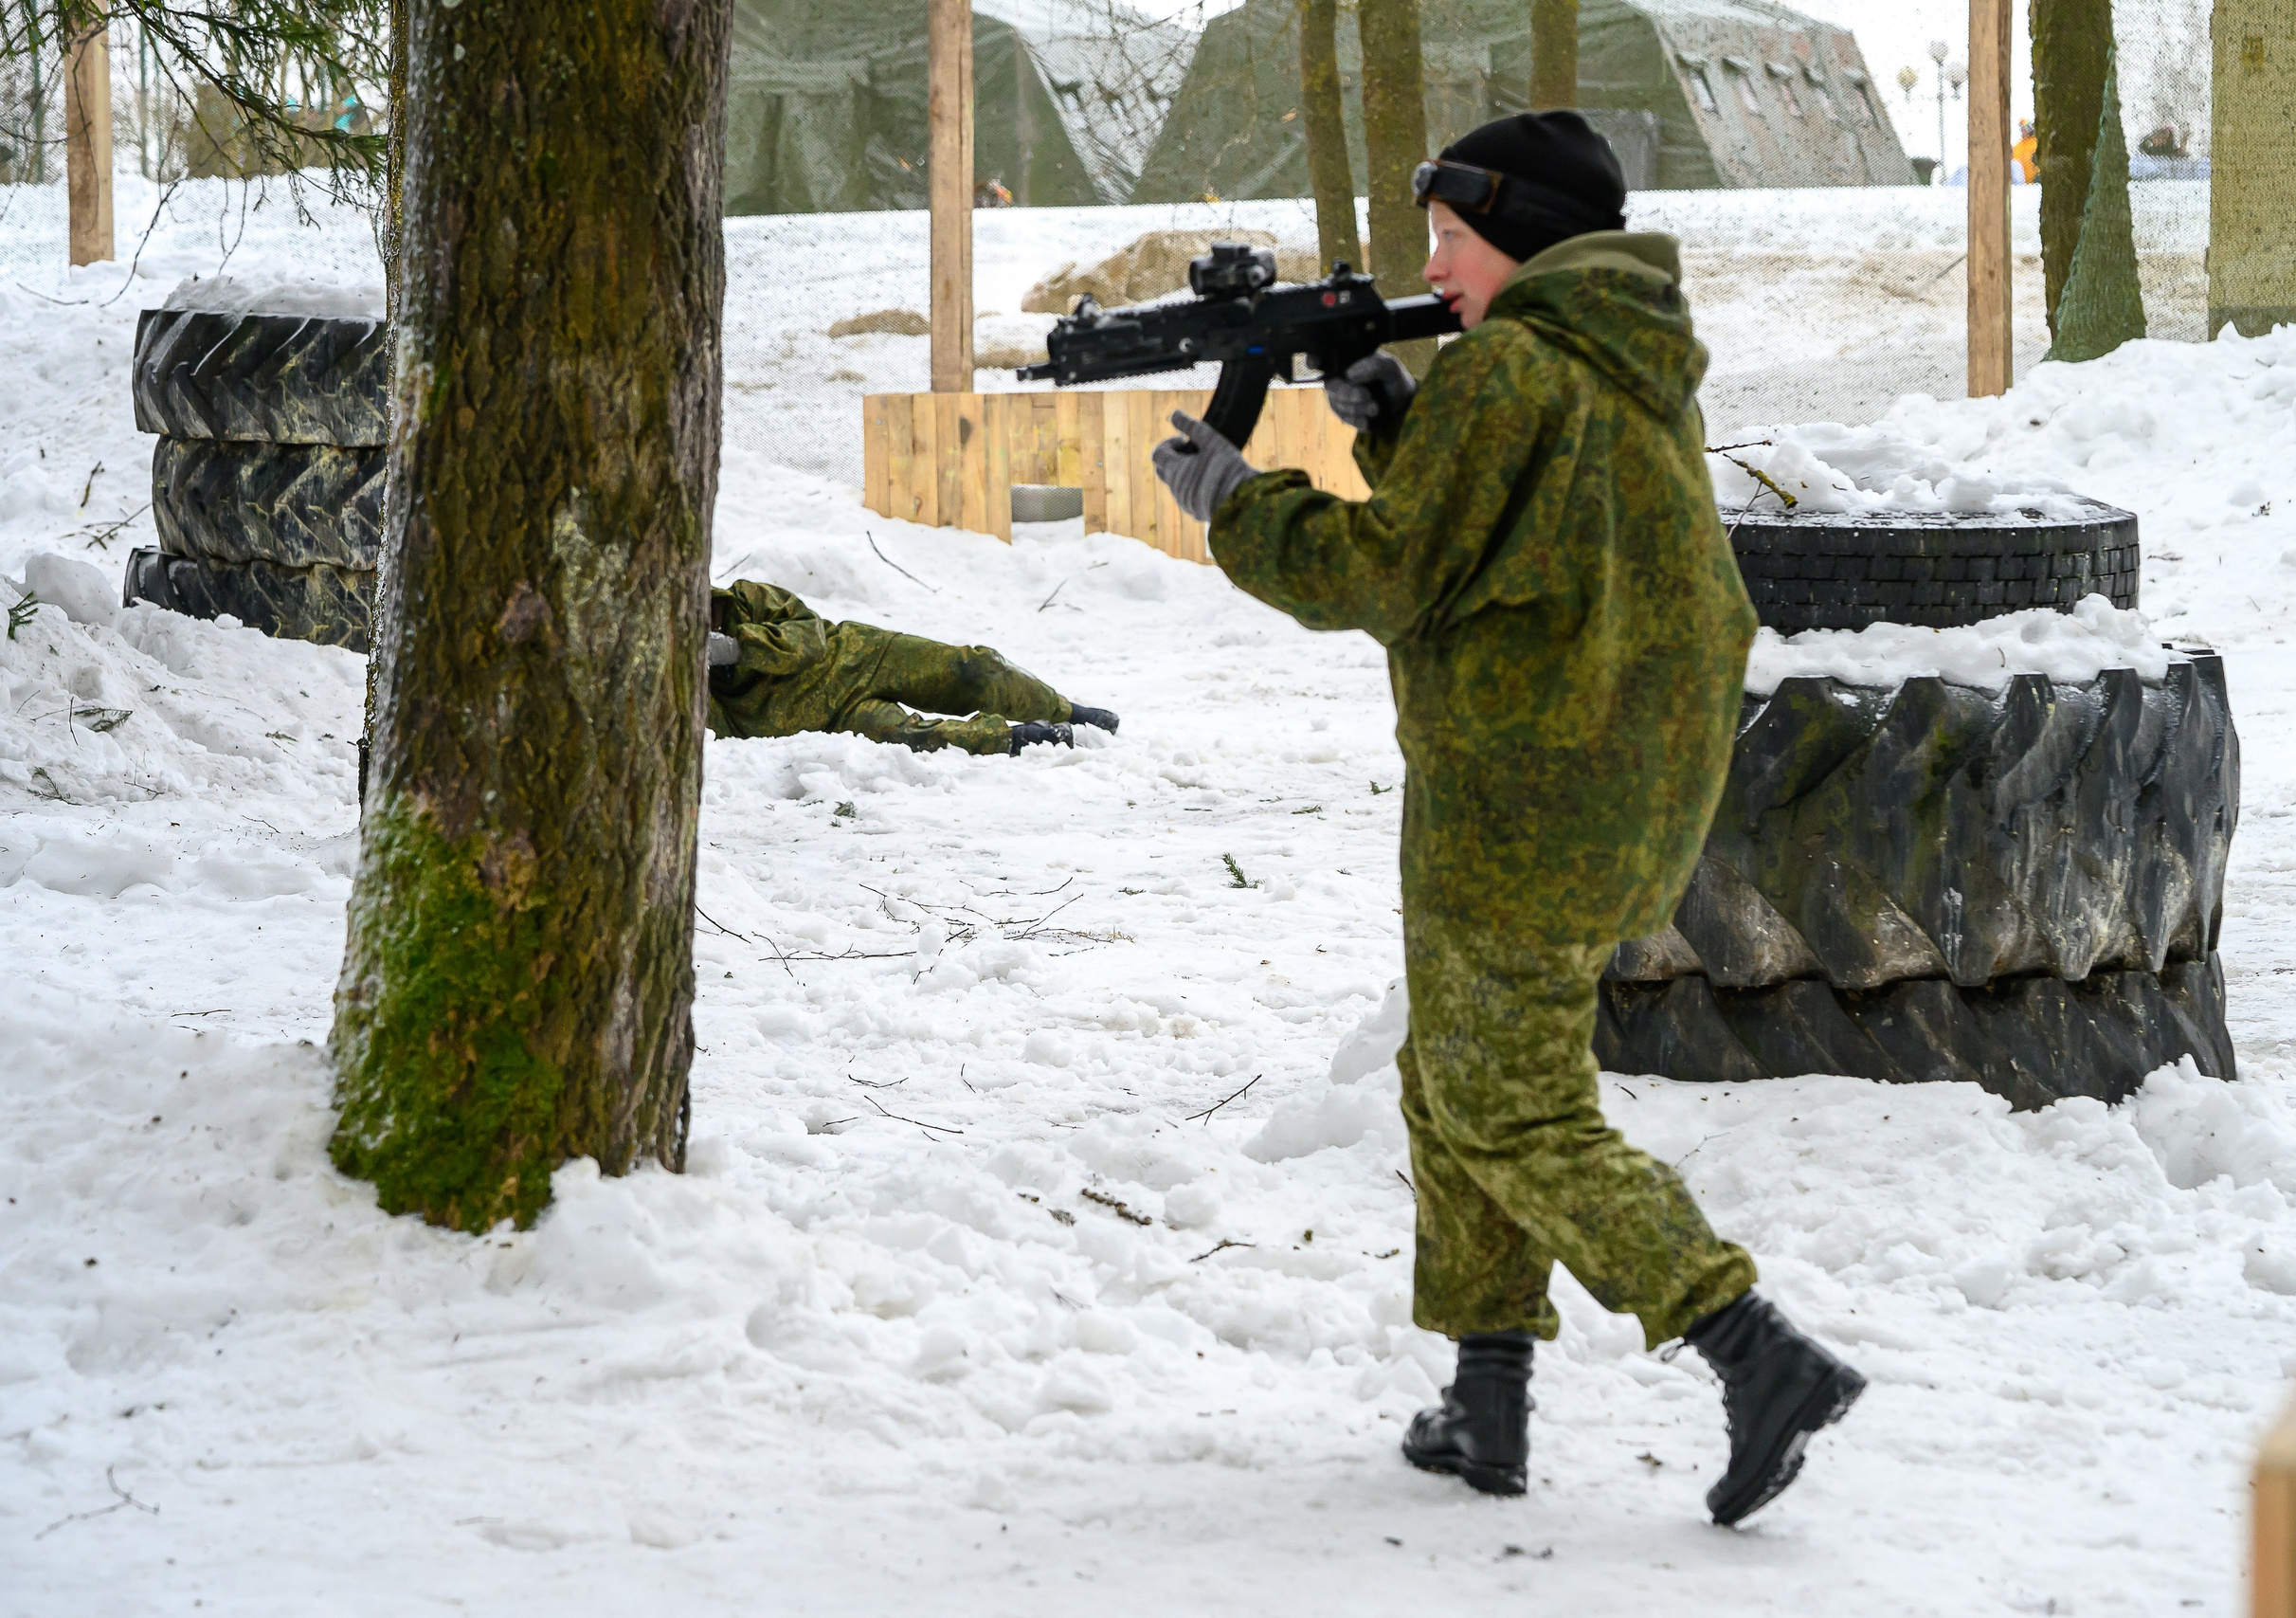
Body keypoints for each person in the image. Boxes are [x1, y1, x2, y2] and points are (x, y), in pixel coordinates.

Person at [1150, 111, 1864, 1526]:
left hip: (1517, 798)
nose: (1432, 267)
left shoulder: (1515, 369)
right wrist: (1402, 425)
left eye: (1450, 237)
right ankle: (1487, 1398)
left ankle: (1752, 1348)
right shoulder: (1614, 357)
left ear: (1522, 238)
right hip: (1608, 790)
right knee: (1452, 1075)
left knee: (1504, 1103)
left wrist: (1239, 504)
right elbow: (1513, 536)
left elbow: (1390, 574)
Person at [706, 578, 1116, 755]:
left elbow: (809, 640)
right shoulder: (696, 689)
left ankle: (1067, 712)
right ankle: (1019, 738)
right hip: (838, 718)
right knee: (913, 739)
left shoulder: (748, 598)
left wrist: (738, 649)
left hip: (861, 656)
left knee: (974, 668)